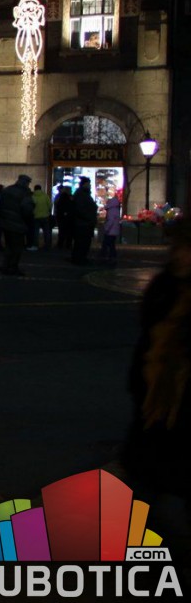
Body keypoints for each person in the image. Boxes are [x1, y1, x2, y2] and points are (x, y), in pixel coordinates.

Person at [119, 219, 191, 536]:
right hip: (156, 407)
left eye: (186, 248)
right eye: (177, 247)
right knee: (142, 490)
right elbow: (149, 339)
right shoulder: (166, 287)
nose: (179, 255)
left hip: (181, 410)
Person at [0, 174, 34, 275]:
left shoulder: (7, 190)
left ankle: (5, 266)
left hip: (5, 222)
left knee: (9, 246)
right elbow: (27, 209)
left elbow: (0, 205)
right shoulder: (25, 193)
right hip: (18, 223)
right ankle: (12, 267)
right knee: (17, 247)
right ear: (26, 183)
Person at [70, 176, 98, 265]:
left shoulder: (83, 194)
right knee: (82, 242)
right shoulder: (82, 195)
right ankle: (79, 259)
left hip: (84, 223)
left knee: (82, 242)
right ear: (85, 184)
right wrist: (89, 218)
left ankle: (80, 258)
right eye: (89, 184)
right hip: (83, 224)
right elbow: (80, 209)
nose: (90, 185)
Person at [100, 192, 122, 265]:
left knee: (106, 244)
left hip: (110, 231)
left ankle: (105, 256)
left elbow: (110, 221)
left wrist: (106, 228)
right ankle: (111, 256)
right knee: (111, 244)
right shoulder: (116, 210)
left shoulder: (111, 211)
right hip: (114, 231)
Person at [30, 184, 53, 251]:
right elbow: (50, 205)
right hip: (45, 216)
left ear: (34, 189)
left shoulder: (32, 197)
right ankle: (47, 245)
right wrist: (48, 212)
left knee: (35, 232)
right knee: (46, 232)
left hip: (36, 217)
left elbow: (31, 206)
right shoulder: (45, 196)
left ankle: (35, 245)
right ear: (40, 189)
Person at [54, 185, 74, 250]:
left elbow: (57, 206)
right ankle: (68, 244)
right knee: (69, 232)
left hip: (62, 217)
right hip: (68, 217)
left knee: (62, 231)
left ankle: (60, 244)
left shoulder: (60, 197)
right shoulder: (70, 197)